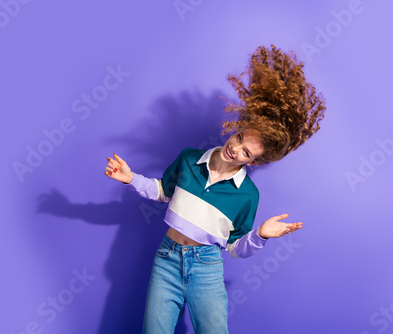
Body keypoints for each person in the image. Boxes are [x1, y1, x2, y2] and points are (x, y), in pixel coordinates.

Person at [104, 45, 326, 333]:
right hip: (166, 260)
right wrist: (131, 177)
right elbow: (163, 191)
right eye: (239, 137)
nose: (235, 149)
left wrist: (259, 235)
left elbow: (234, 247)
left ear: (255, 162)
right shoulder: (188, 159)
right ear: (237, 128)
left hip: (206, 270)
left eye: (246, 153)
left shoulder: (247, 196)